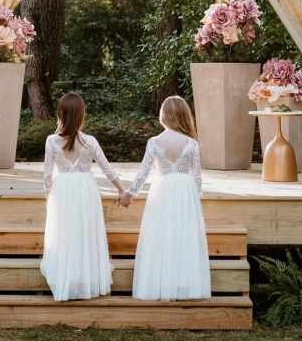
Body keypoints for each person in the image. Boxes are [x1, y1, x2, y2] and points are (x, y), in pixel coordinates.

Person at [120, 95, 211, 301]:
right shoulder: (191, 143)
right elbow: (196, 178)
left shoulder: (154, 142)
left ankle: (159, 282)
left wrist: (130, 194)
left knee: (160, 235)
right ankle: (183, 283)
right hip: (184, 191)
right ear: (184, 115)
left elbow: (143, 174)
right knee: (183, 237)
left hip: (161, 190)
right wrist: (196, 200)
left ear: (164, 115)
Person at [40, 92, 128, 301]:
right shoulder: (90, 141)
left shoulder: (51, 141)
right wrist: (121, 190)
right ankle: (85, 278)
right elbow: (108, 170)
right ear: (81, 115)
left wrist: (49, 199)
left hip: (61, 190)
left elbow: (46, 177)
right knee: (85, 232)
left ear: (60, 114)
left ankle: (67, 278)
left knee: (64, 233)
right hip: (85, 190)